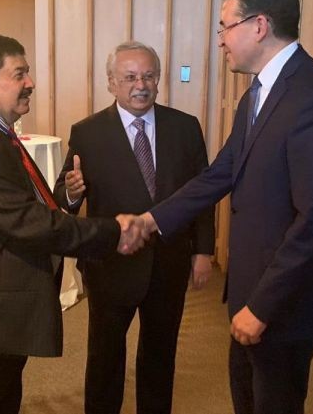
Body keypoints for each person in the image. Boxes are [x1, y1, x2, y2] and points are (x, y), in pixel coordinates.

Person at [141, 0, 313, 414]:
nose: (220, 40)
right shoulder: (255, 95)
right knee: (245, 395)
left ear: (259, 26)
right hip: (251, 287)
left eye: (225, 26)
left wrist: (262, 307)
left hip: (284, 298)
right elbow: (220, 174)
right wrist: (151, 219)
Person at [0, 33, 146, 414]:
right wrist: (114, 232)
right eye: (19, 74)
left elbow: (31, 207)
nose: (30, 83)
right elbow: (28, 221)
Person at [54, 41, 215, 414]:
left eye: (148, 76)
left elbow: (202, 194)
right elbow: (64, 193)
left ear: (158, 80)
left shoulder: (185, 127)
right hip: (111, 265)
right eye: (129, 77)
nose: (140, 85)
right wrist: (73, 192)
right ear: (111, 82)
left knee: (160, 355)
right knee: (105, 357)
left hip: (169, 264)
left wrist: (203, 250)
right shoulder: (88, 132)